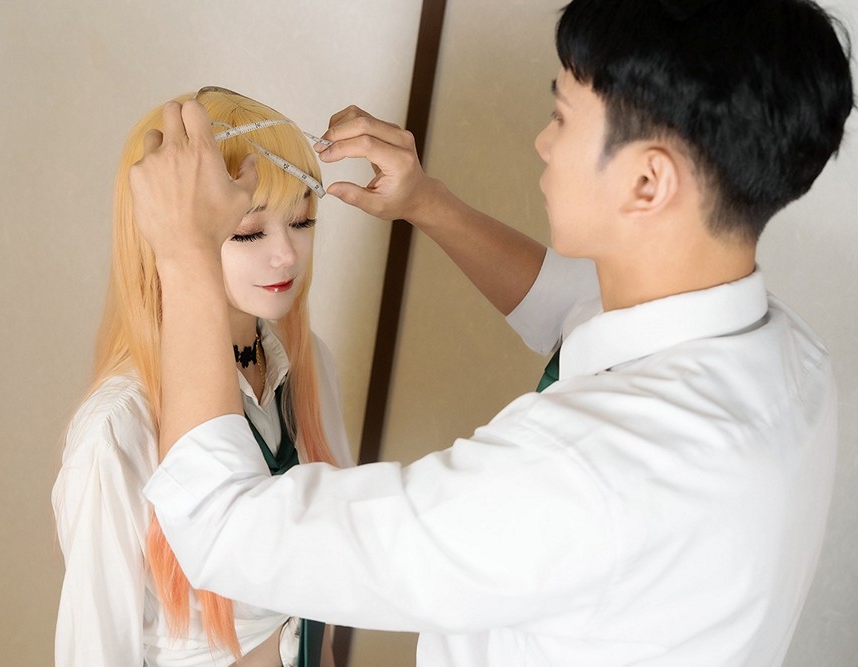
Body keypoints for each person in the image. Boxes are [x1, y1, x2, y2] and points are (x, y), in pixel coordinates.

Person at [132, 0, 855, 664]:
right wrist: (427, 203)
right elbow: (574, 306)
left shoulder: (583, 474)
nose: (542, 142)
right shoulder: (790, 358)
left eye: (562, 117)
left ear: (647, 182)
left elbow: (219, 524)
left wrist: (186, 253)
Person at [52, 87, 351, 666]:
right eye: (249, 231)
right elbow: (96, 651)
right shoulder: (120, 426)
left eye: (302, 221)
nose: (286, 255)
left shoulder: (308, 367)